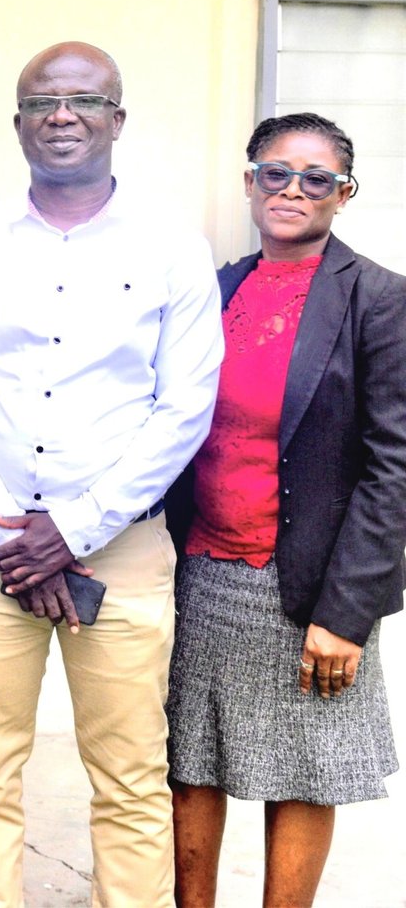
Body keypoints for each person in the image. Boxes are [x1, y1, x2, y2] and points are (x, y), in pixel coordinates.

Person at [0, 42, 224, 907]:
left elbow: (182, 411)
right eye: (42, 102)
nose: (62, 115)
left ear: (116, 120)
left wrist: (75, 529)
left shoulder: (173, 251)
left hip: (122, 549)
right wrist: (11, 533)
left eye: (84, 101)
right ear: (17, 124)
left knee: (130, 772)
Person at [164, 113, 405, 907]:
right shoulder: (216, 285)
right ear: (249, 182)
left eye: (316, 178)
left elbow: (393, 466)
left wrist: (347, 612)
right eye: (276, 171)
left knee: (302, 766)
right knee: (192, 755)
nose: (292, 189)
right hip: (205, 566)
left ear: (344, 194)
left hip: (309, 583)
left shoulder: (378, 299)